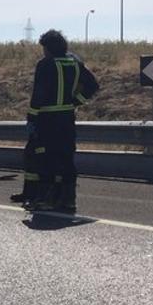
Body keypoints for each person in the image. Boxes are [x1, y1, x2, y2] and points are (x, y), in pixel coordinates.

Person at [26, 30, 99, 213]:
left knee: (46, 158)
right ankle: (68, 200)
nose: (44, 52)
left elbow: (39, 94)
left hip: (47, 120)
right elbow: (93, 85)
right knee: (66, 158)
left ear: (49, 48)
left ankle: (47, 199)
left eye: (44, 48)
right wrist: (76, 102)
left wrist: (31, 117)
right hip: (67, 119)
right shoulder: (74, 63)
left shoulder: (45, 65)